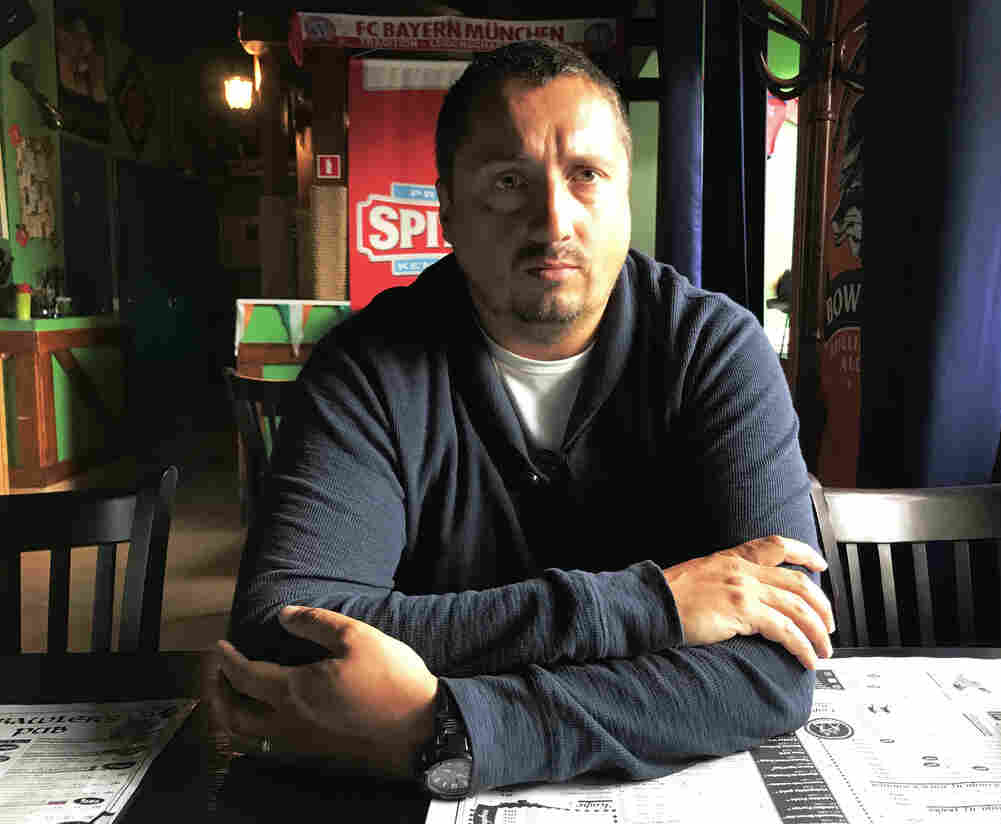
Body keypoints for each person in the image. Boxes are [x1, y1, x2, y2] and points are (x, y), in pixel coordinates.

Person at [208, 39, 835, 798]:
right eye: (509, 181)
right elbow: (284, 630)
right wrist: (654, 608)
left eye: (587, 175)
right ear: (447, 207)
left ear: (624, 193)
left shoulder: (715, 350)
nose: (553, 221)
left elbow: (775, 666)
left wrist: (448, 725)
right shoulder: (367, 367)